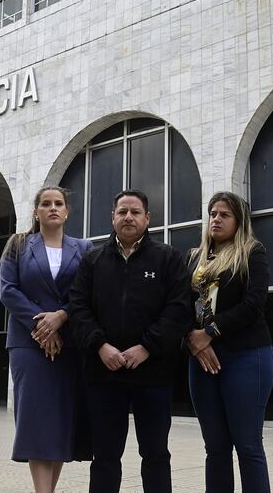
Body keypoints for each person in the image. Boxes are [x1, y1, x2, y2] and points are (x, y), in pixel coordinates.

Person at [70, 190, 192, 493]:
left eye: (135, 212)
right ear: (112, 218)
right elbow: (78, 307)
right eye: (122, 211)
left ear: (147, 218)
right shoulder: (92, 261)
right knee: (106, 456)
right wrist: (100, 345)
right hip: (104, 374)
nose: (128, 217)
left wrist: (147, 347)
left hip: (153, 375)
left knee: (155, 454)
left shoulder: (168, 258)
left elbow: (179, 309)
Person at [0, 186, 93, 493]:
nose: (53, 208)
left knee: (60, 422)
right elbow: (9, 290)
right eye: (45, 204)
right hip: (28, 345)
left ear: (67, 212)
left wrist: (60, 318)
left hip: (69, 345)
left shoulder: (84, 248)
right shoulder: (18, 245)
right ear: (36, 212)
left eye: (59, 203)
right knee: (37, 421)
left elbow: (87, 294)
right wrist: (42, 326)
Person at [185, 191, 273, 493]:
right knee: (216, 447)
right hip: (201, 359)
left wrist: (209, 332)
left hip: (247, 356)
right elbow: (180, 307)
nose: (216, 219)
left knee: (248, 446)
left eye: (224, 215)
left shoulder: (252, 252)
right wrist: (193, 340)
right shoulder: (194, 258)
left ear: (239, 221)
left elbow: (254, 303)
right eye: (213, 214)